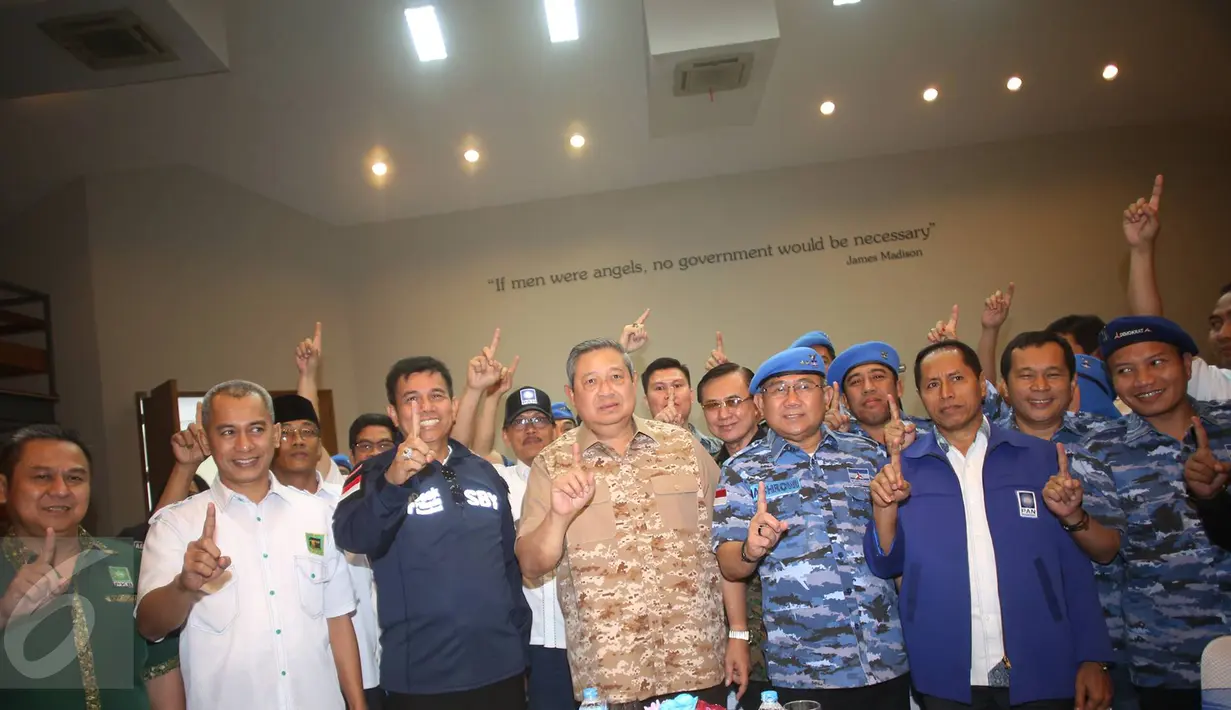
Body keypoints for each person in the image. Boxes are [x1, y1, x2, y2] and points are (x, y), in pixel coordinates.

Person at [865, 341, 1113, 710]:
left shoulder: (1038, 457)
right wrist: (883, 506)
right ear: (919, 396)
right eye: (933, 385)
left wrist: (1093, 656)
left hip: (1043, 666)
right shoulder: (904, 467)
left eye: (957, 378)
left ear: (982, 384)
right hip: (944, 671)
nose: (946, 393)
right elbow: (886, 563)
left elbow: (1074, 568)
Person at [515, 338, 738, 710]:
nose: (606, 391)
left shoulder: (683, 448)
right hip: (609, 680)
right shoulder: (552, 465)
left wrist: (740, 635)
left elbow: (725, 541)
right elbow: (531, 564)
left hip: (697, 665)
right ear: (572, 394)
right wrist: (558, 516)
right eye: (591, 382)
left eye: (616, 376)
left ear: (633, 382)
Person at [136, 380, 365, 710]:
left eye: (256, 429)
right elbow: (149, 625)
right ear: (208, 437)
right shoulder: (175, 523)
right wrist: (184, 587)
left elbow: (338, 619)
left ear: (274, 434)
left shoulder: (318, 514)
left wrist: (358, 705)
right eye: (228, 432)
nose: (244, 445)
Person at [713, 347, 911, 710]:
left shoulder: (867, 455)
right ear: (759, 403)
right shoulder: (741, 471)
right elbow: (728, 564)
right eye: (777, 389)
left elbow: (894, 550)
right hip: (803, 667)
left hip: (885, 655)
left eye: (804, 385)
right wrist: (749, 550)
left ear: (829, 395)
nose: (791, 399)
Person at [333, 357, 530, 710]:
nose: (426, 407)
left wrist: (518, 645)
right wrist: (393, 482)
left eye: (436, 395)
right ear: (393, 413)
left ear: (453, 406)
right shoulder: (373, 472)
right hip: (421, 682)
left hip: (502, 672)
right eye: (412, 399)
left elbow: (507, 567)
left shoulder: (484, 471)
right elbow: (352, 537)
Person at [1081, 316, 1231, 710]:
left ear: (1186, 364)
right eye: (1125, 371)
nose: (1143, 380)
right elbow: (1105, 570)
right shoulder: (1100, 450)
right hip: (1165, 659)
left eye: (1157, 363)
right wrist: (1099, 659)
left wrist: (1216, 498)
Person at [0, 425, 182, 710]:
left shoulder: (132, 562)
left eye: (74, 478)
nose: (60, 490)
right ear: (3, 489)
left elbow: (160, 671)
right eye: (41, 476)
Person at [270, 394, 383, 709]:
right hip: (303, 678)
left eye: (307, 431)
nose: (297, 441)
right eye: (286, 432)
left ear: (320, 442)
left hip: (367, 667)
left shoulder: (348, 498)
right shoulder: (261, 512)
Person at [491, 386, 573, 710]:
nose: (530, 428)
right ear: (506, 435)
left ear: (555, 429)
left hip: (586, 637)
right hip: (531, 643)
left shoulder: (578, 479)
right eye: (520, 421)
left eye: (539, 419)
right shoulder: (497, 483)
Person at [694, 361, 770, 708]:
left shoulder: (786, 457)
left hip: (795, 639)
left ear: (757, 404)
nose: (724, 414)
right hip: (735, 642)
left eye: (734, 401)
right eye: (713, 405)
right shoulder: (705, 468)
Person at [1120, 174, 1231, 399]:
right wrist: (1142, 249)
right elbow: (1151, 331)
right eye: (1216, 323)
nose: (1223, 334)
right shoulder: (1218, 388)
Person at [826, 342, 924, 450]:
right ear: (845, 401)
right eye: (856, 382)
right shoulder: (835, 446)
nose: (868, 388)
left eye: (877, 376)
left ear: (898, 387)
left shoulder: (932, 435)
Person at [642, 356, 723, 455]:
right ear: (646, 401)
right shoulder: (635, 452)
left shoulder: (719, 450)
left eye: (677, 386)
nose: (670, 394)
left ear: (691, 395)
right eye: (659, 388)